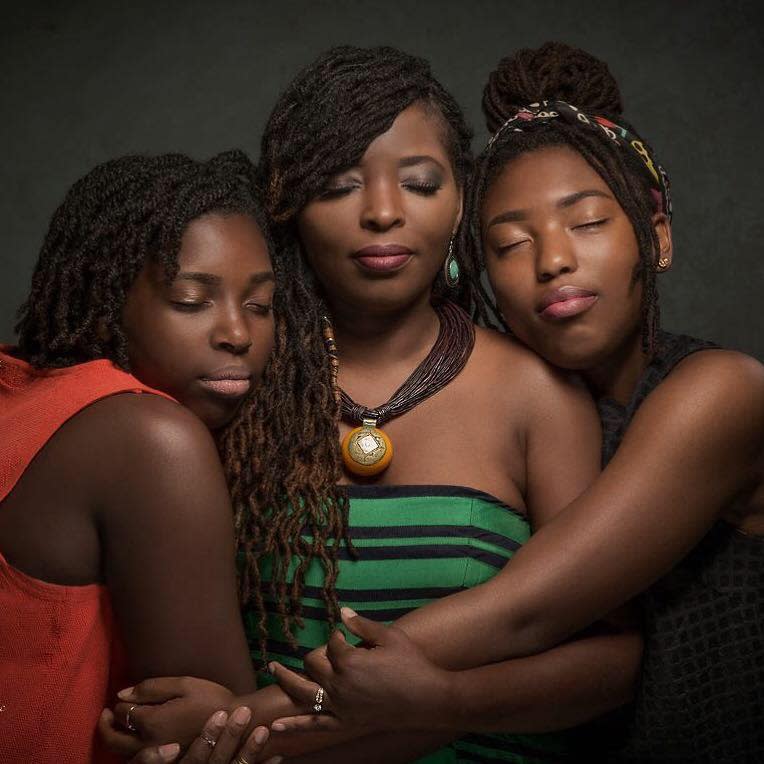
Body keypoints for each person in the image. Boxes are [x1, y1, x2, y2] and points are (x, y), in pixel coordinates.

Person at [107, 46, 642, 763]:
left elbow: (614, 665)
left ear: (462, 200)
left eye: (420, 183)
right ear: (287, 207)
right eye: (339, 186)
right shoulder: (236, 381)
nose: (383, 213)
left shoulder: (537, 396)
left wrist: (247, 722)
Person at [263, 42, 764, 763]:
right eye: (510, 242)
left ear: (656, 236)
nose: (552, 259)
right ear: (480, 266)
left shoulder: (719, 392)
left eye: (587, 224)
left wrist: (243, 719)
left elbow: (530, 607)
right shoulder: (551, 404)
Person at [0, 150, 317, 762]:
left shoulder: (21, 392)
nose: (237, 333)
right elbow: (224, 738)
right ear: (107, 293)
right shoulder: (149, 437)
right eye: (192, 299)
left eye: (260, 304)